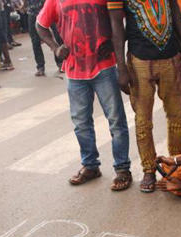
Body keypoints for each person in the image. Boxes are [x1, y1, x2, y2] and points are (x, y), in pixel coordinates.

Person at [36, 0, 133, 191]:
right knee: (81, 123)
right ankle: (90, 166)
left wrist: (115, 47)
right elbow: (40, 25)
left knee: (116, 120)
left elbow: (124, 20)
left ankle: (122, 168)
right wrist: (55, 48)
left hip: (104, 67)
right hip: (74, 71)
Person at [109, 0, 181, 193]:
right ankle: (149, 170)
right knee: (142, 120)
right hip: (139, 61)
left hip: (171, 58)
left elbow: (175, 12)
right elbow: (116, 27)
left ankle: (175, 164)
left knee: (177, 117)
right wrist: (121, 67)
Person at [25, 0, 61, 76]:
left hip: (48, 10)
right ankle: (40, 67)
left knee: (57, 37)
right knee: (35, 42)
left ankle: (60, 62)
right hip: (32, 13)